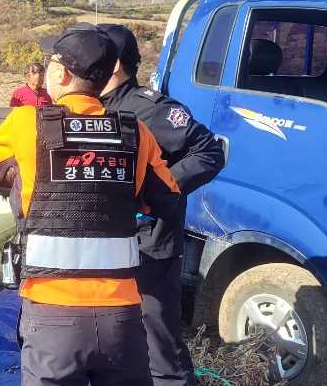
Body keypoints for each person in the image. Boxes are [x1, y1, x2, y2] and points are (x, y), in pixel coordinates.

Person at [0, 25, 181, 386]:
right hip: (122, 316)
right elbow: (168, 197)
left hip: (52, 315)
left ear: (61, 74)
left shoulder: (26, 123)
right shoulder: (136, 132)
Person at [97, 23, 225, 386]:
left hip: (149, 246)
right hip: (108, 244)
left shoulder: (148, 109)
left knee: (159, 345)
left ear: (115, 64)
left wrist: (153, 193)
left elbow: (208, 152)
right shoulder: (92, 109)